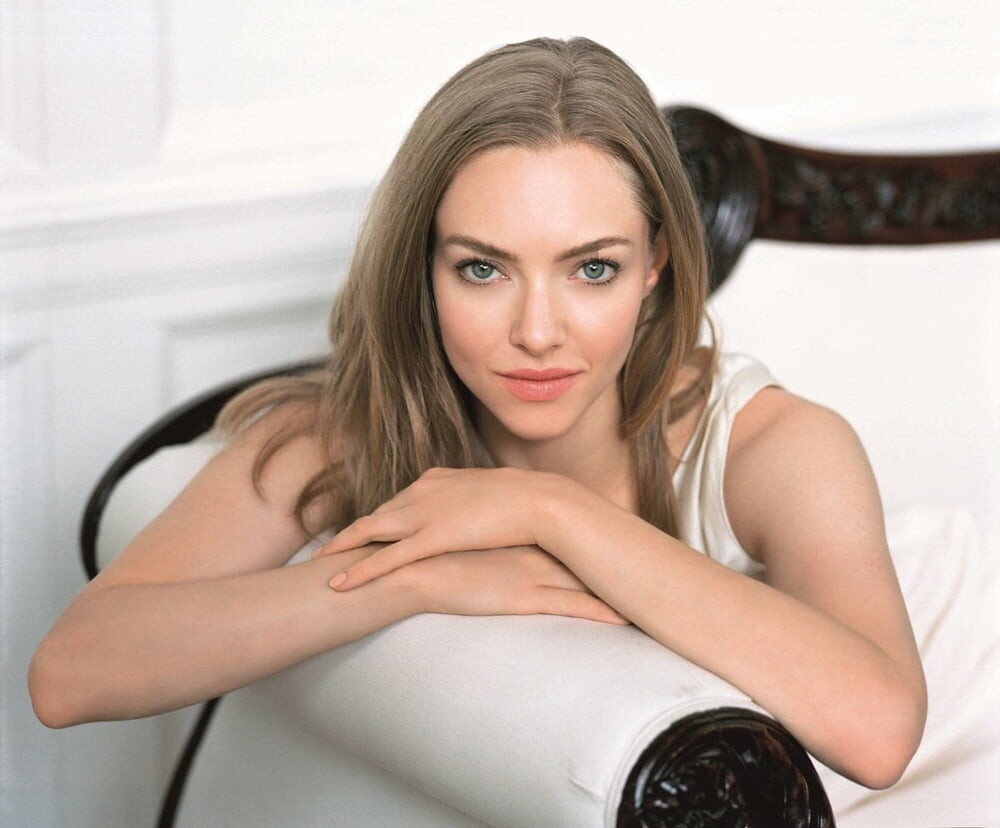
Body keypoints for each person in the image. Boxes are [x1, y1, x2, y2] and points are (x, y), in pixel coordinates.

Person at [28, 36, 925, 789]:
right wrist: (407, 580)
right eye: (483, 269)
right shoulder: (341, 433)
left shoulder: (776, 446)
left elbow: (881, 734)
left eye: (593, 269)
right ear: (423, 267)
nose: (536, 332)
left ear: (656, 264)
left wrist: (549, 511)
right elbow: (70, 672)